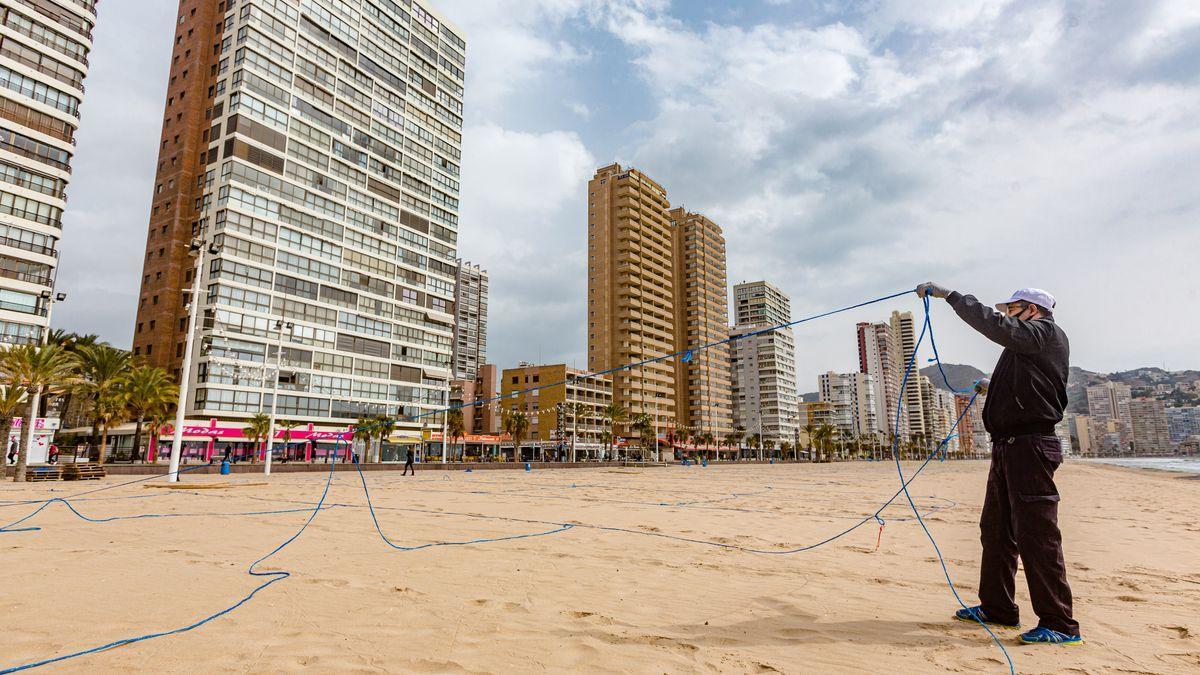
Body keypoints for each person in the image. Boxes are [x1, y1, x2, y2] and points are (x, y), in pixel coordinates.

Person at [917, 283, 1081, 646]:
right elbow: (1030, 380)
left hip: (1031, 447)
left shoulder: (1044, 332)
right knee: (996, 530)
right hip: (1008, 447)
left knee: (1037, 535)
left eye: (1012, 309)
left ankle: (1059, 623)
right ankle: (997, 608)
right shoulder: (1028, 345)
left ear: (1031, 310)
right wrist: (992, 386)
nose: (1008, 315)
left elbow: (1000, 328)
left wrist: (954, 298)